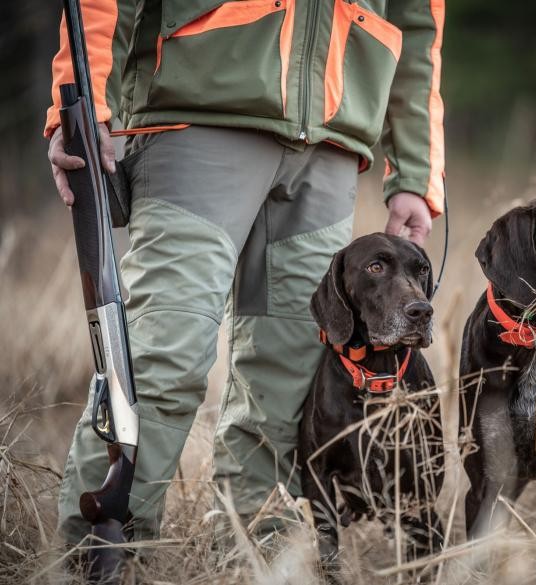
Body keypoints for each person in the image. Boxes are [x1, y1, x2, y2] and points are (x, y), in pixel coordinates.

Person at [46, 0, 445, 545]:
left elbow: (418, 22)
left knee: (292, 376)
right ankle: (95, 560)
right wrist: (84, 102)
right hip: (198, 115)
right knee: (164, 356)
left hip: (332, 143)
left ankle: (254, 557)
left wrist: (417, 171)